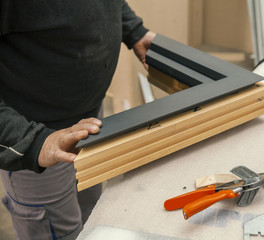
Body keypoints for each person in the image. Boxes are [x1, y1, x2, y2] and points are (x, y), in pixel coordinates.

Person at [0, 1, 155, 239]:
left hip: (90, 122)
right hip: (38, 142)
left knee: (89, 219)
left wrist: (133, 30)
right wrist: (30, 142)